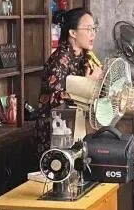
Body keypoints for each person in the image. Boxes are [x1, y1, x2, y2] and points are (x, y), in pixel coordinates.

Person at [36, 8, 103, 158]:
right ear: (72, 33)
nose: (93, 34)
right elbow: (54, 100)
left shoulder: (85, 56)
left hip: (77, 125)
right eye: (88, 29)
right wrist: (88, 82)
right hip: (57, 129)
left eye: (94, 29)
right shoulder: (60, 59)